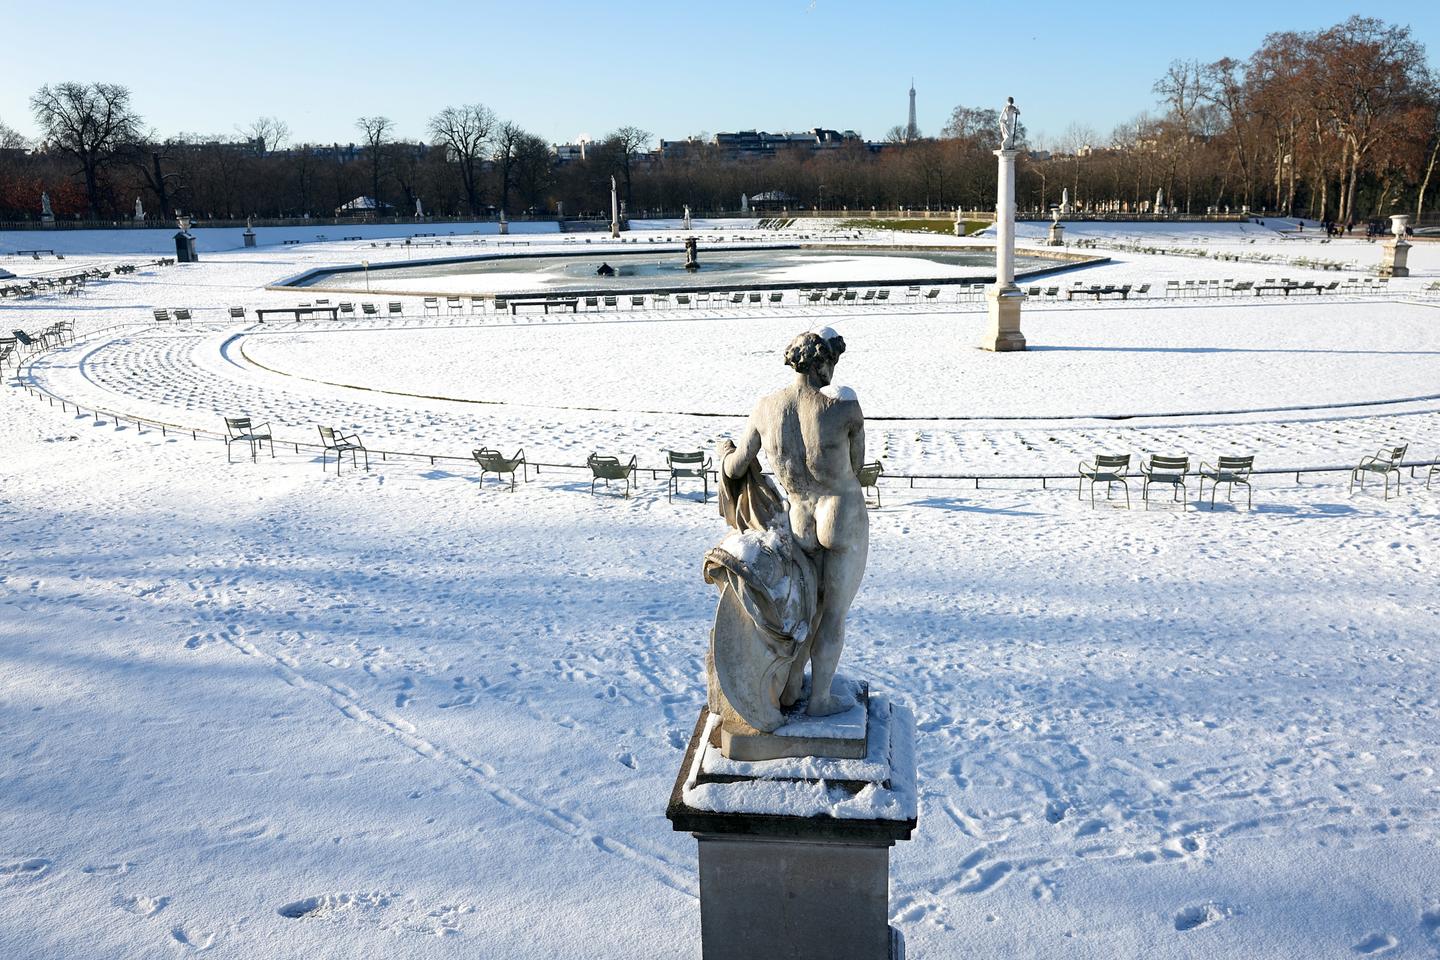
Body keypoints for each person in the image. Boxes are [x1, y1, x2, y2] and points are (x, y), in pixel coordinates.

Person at [718, 328, 868, 716]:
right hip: (840, 512)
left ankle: (790, 686)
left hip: (800, 516)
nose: (833, 369)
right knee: (832, 612)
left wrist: (724, 453)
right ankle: (819, 700)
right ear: (820, 363)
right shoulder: (844, 407)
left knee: (809, 607)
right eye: (830, 362)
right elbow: (857, 466)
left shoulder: (766, 407)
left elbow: (736, 467)